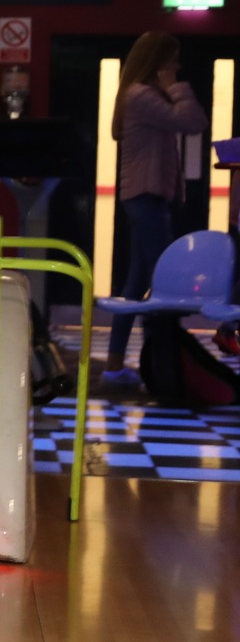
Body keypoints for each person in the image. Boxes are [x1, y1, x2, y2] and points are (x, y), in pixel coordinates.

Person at [104, 32, 208, 382]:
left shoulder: (142, 95)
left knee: (136, 285)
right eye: (173, 59)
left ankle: (116, 366)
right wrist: (174, 85)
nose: (177, 65)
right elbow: (193, 123)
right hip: (146, 197)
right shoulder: (142, 96)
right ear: (158, 62)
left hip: (147, 196)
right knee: (161, 282)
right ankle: (162, 365)